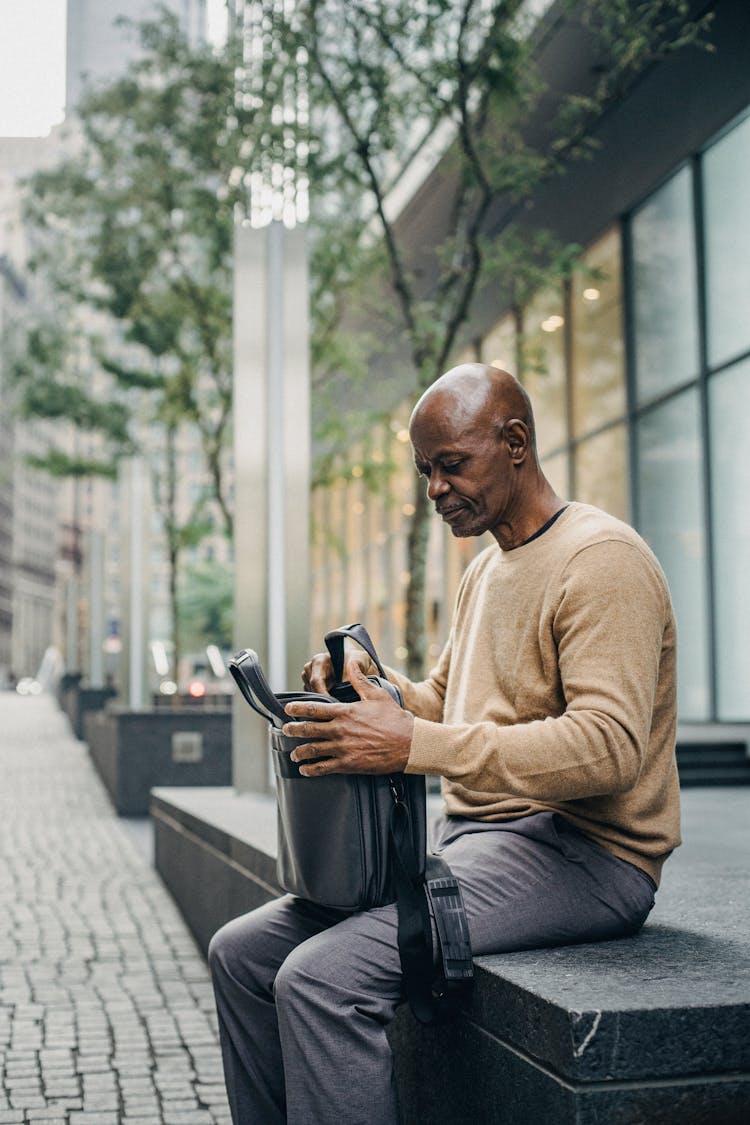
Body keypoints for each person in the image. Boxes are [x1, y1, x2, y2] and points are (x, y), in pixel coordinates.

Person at [209, 363, 680, 1125]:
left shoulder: (602, 561)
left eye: (451, 463)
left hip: (586, 855)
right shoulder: (487, 569)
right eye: (426, 470)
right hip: (477, 845)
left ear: (516, 442)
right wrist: (370, 691)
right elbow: (442, 702)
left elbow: (609, 747)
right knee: (241, 952)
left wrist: (410, 742)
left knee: (321, 980)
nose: (434, 488)